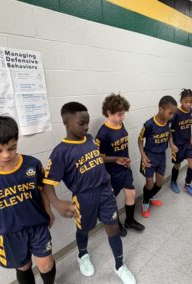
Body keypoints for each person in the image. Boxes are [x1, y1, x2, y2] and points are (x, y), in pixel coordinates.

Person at [42, 102, 135, 284]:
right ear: (66, 123)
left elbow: (98, 157)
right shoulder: (60, 152)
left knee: (113, 227)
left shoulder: (90, 138)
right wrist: (56, 203)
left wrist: (116, 159)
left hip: (104, 192)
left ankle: (119, 265)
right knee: (84, 229)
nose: (86, 127)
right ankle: (82, 255)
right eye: (81, 123)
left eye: (87, 123)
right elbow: (47, 183)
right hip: (84, 197)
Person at [0, 115, 56, 284]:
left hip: (37, 225)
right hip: (10, 232)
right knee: (23, 266)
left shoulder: (32, 164)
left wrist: (49, 210)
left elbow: (42, 189)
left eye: (12, 148)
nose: (6, 155)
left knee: (46, 264)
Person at [96, 93, 145, 237]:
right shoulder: (103, 133)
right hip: (111, 172)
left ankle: (129, 220)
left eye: (123, 114)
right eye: (119, 114)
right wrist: (116, 159)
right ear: (108, 112)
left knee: (131, 193)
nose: (122, 117)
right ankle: (116, 224)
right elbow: (98, 157)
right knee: (112, 200)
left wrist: (123, 159)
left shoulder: (121, 124)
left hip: (125, 168)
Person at [138, 96, 178, 218]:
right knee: (149, 184)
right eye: (170, 113)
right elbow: (140, 140)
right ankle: (145, 203)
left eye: (173, 114)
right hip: (149, 156)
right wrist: (143, 155)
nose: (172, 116)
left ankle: (150, 196)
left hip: (161, 156)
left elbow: (169, 133)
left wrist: (171, 143)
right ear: (161, 109)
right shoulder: (149, 124)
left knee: (160, 183)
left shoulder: (169, 122)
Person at [169, 89, 192, 197]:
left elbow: (188, 127)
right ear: (181, 101)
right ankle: (173, 181)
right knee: (177, 164)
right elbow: (169, 131)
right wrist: (171, 144)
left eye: (191, 101)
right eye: (186, 101)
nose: (188, 104)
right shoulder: (175, 113)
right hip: (177, 144)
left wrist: (191, 138)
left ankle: (188, 184)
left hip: (187, 143)